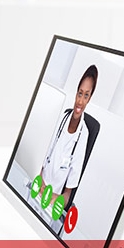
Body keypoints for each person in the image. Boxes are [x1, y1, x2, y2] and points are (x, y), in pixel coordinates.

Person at [39, 65, 99, 208]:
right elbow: (40, 160)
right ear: (76, 93)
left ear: (89, 98)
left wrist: (56, 200)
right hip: (36, 187)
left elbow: (68, 194)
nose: (80, 101)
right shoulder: (60, 118)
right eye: (80, 93)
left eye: (86, 95)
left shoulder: (83, 135)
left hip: (50, 204)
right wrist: (40, 181)